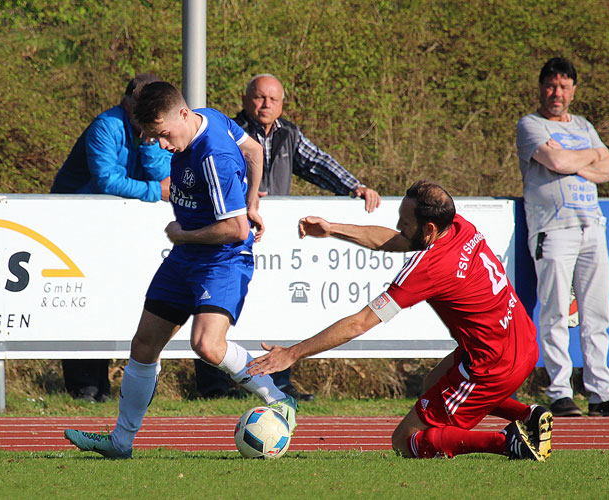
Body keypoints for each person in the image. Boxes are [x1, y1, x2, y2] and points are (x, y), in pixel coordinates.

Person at [64, 81, 295, 459]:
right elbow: (253, 149)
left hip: (222, 258)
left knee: (207, 345)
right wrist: (253, 199)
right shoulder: (211, 118)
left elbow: (234, 230)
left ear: (184, 115)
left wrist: (185, 234)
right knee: (143, 346)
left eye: (165, 135)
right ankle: (121, 443)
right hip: (187, 257)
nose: (164, 145)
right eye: (155, 138)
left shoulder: (212, 156)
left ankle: (279, 397)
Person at [248, 180, 553, 461]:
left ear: (429, 229)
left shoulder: (430, 267)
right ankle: (529, 415)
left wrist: (291, 353)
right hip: (520, 337)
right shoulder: (459, 226)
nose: (398, 226)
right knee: (433, 382)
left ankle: (508, 442)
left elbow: (360, 322)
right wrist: (331, 229)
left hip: (493, 363)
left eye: (405, 222)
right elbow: (395, 240)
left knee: (406, 440)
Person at [194, 74, 383, 401]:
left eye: (273, 99)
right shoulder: (225, 131)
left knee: (276, 306)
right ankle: (215, 387)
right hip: (228, 232)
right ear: (245, 99)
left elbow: (320, 164)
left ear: (282, 104)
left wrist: (355, 187)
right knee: (221, 306)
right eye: (259, 97)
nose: (265, 104)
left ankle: (280, 381)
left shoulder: (290, 134)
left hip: (274, 239)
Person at [515, 57, 609, 418]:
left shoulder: (584, 125)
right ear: (541, 87)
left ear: (573, 91)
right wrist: (588, 156)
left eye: (564, 86)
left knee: (596, 314)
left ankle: (602, 393)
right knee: (556, 311)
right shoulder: (531, 125)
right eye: (551, 85)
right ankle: (559, 391)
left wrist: (577, 158)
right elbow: (556, 164)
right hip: (553, 229)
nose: (557, 93)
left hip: (592, 226)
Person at [51, 73, 172, 402]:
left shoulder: (153, 133)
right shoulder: (106, 125)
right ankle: (84, 384)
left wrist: (149, 145)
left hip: (117, 232)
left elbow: (166, 177)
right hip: (77, 228)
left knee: (116, 301)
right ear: (128, 100)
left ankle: (109, 384)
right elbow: (107, 181)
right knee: (82, 301)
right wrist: (154, 191)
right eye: (143, 105)